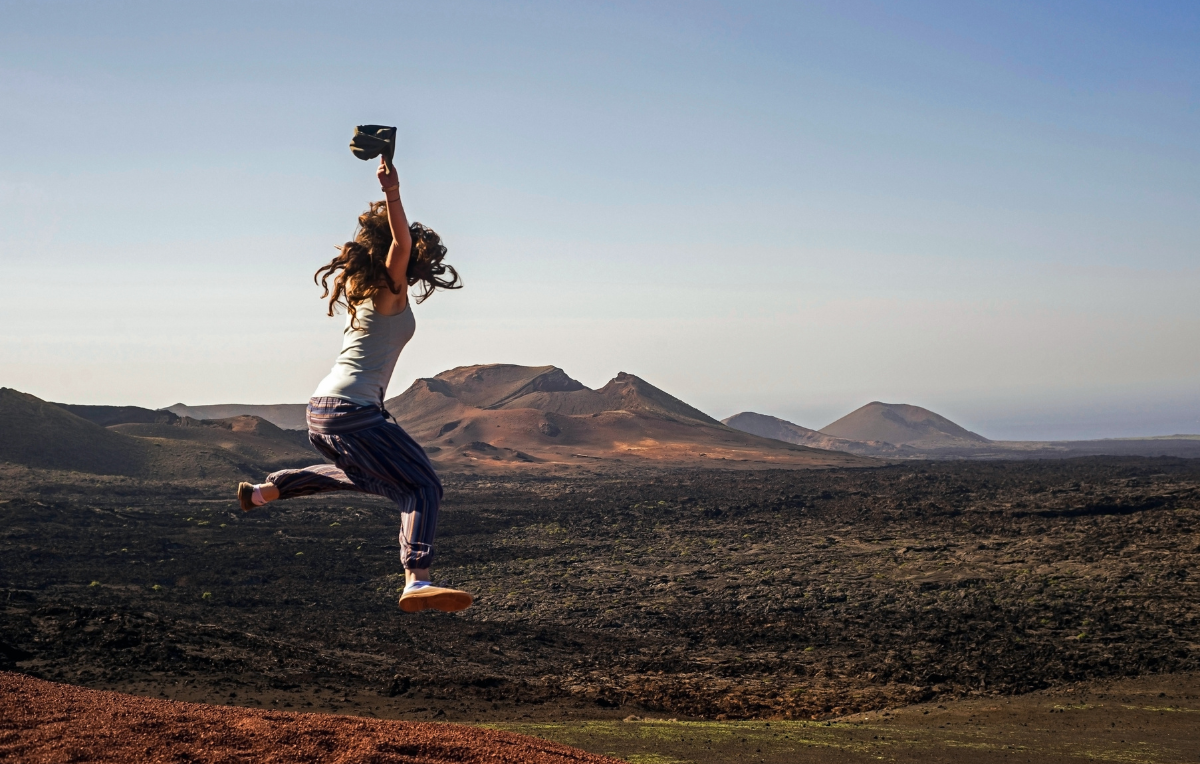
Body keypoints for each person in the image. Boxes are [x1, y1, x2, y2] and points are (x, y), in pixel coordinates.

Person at [236, 156, 470, 614]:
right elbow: (400, 245)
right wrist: (394, 191)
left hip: (324, 409)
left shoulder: (362, 294)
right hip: (353, 412)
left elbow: (398, 247)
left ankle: (266, 491)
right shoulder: (387, 289)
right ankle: (417, 579)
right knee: (422, 487)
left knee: (369, 479)